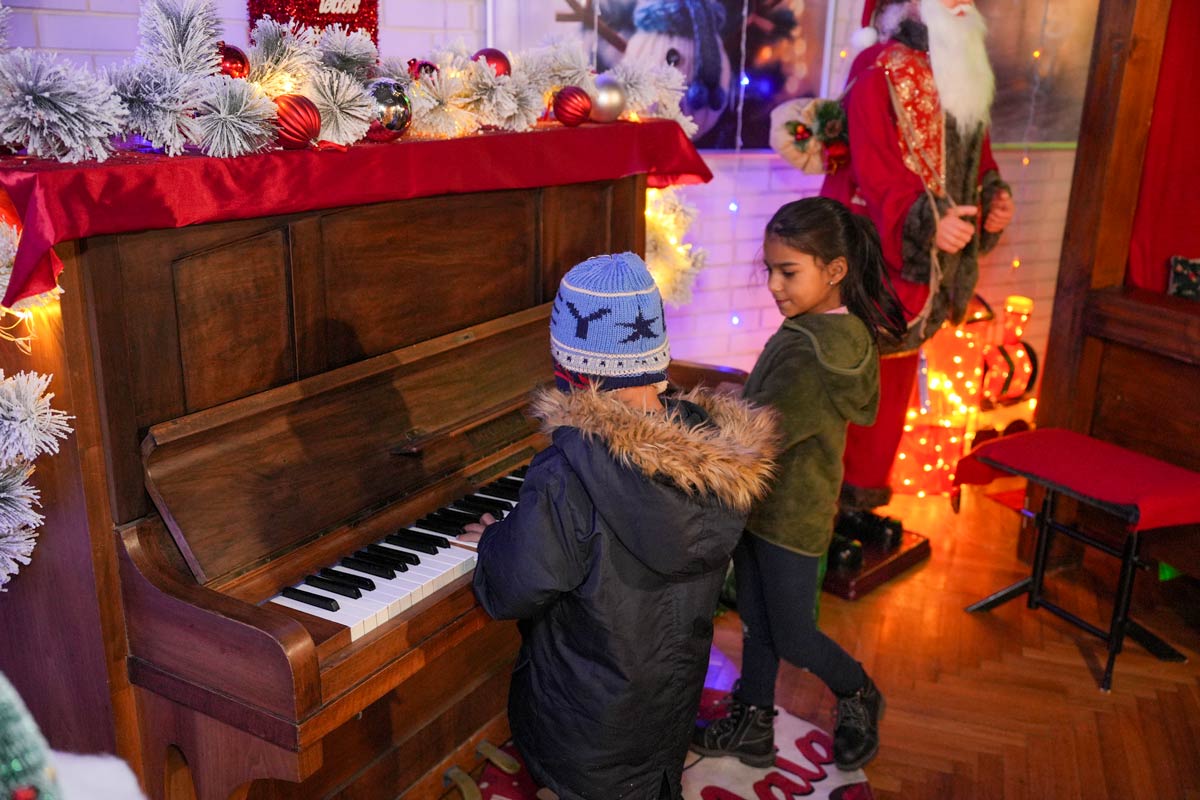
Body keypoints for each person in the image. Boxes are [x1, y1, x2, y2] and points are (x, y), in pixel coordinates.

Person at [462, 252, 779, 800]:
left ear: (573, 371)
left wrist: (494, 539)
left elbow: (513, 588)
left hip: (587, 724)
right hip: (663, 711)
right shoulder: (711, 454)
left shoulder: (569, 471)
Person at [691, 197, 907, 771]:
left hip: (791, 519)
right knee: (758, 623)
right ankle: (754, 725)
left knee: (790, 635)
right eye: (770, 270)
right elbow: (768, 412)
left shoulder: (814, 351)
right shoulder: (821, 331)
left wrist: (690, 434)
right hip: (768, 508)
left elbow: (760, 436)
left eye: (788, 272)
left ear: (835, 270)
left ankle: (858, 690)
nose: (774, 285)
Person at [821, 0, 1014, 537]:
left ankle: (860, 503)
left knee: (894, 385)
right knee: (852, 378)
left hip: (919, 259)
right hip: (872, 247)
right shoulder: (880, 67)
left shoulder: (962, 66)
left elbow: (977, 155)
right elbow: (875, 163)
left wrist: (993, 197)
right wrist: (927, 222)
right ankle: (822, 508)